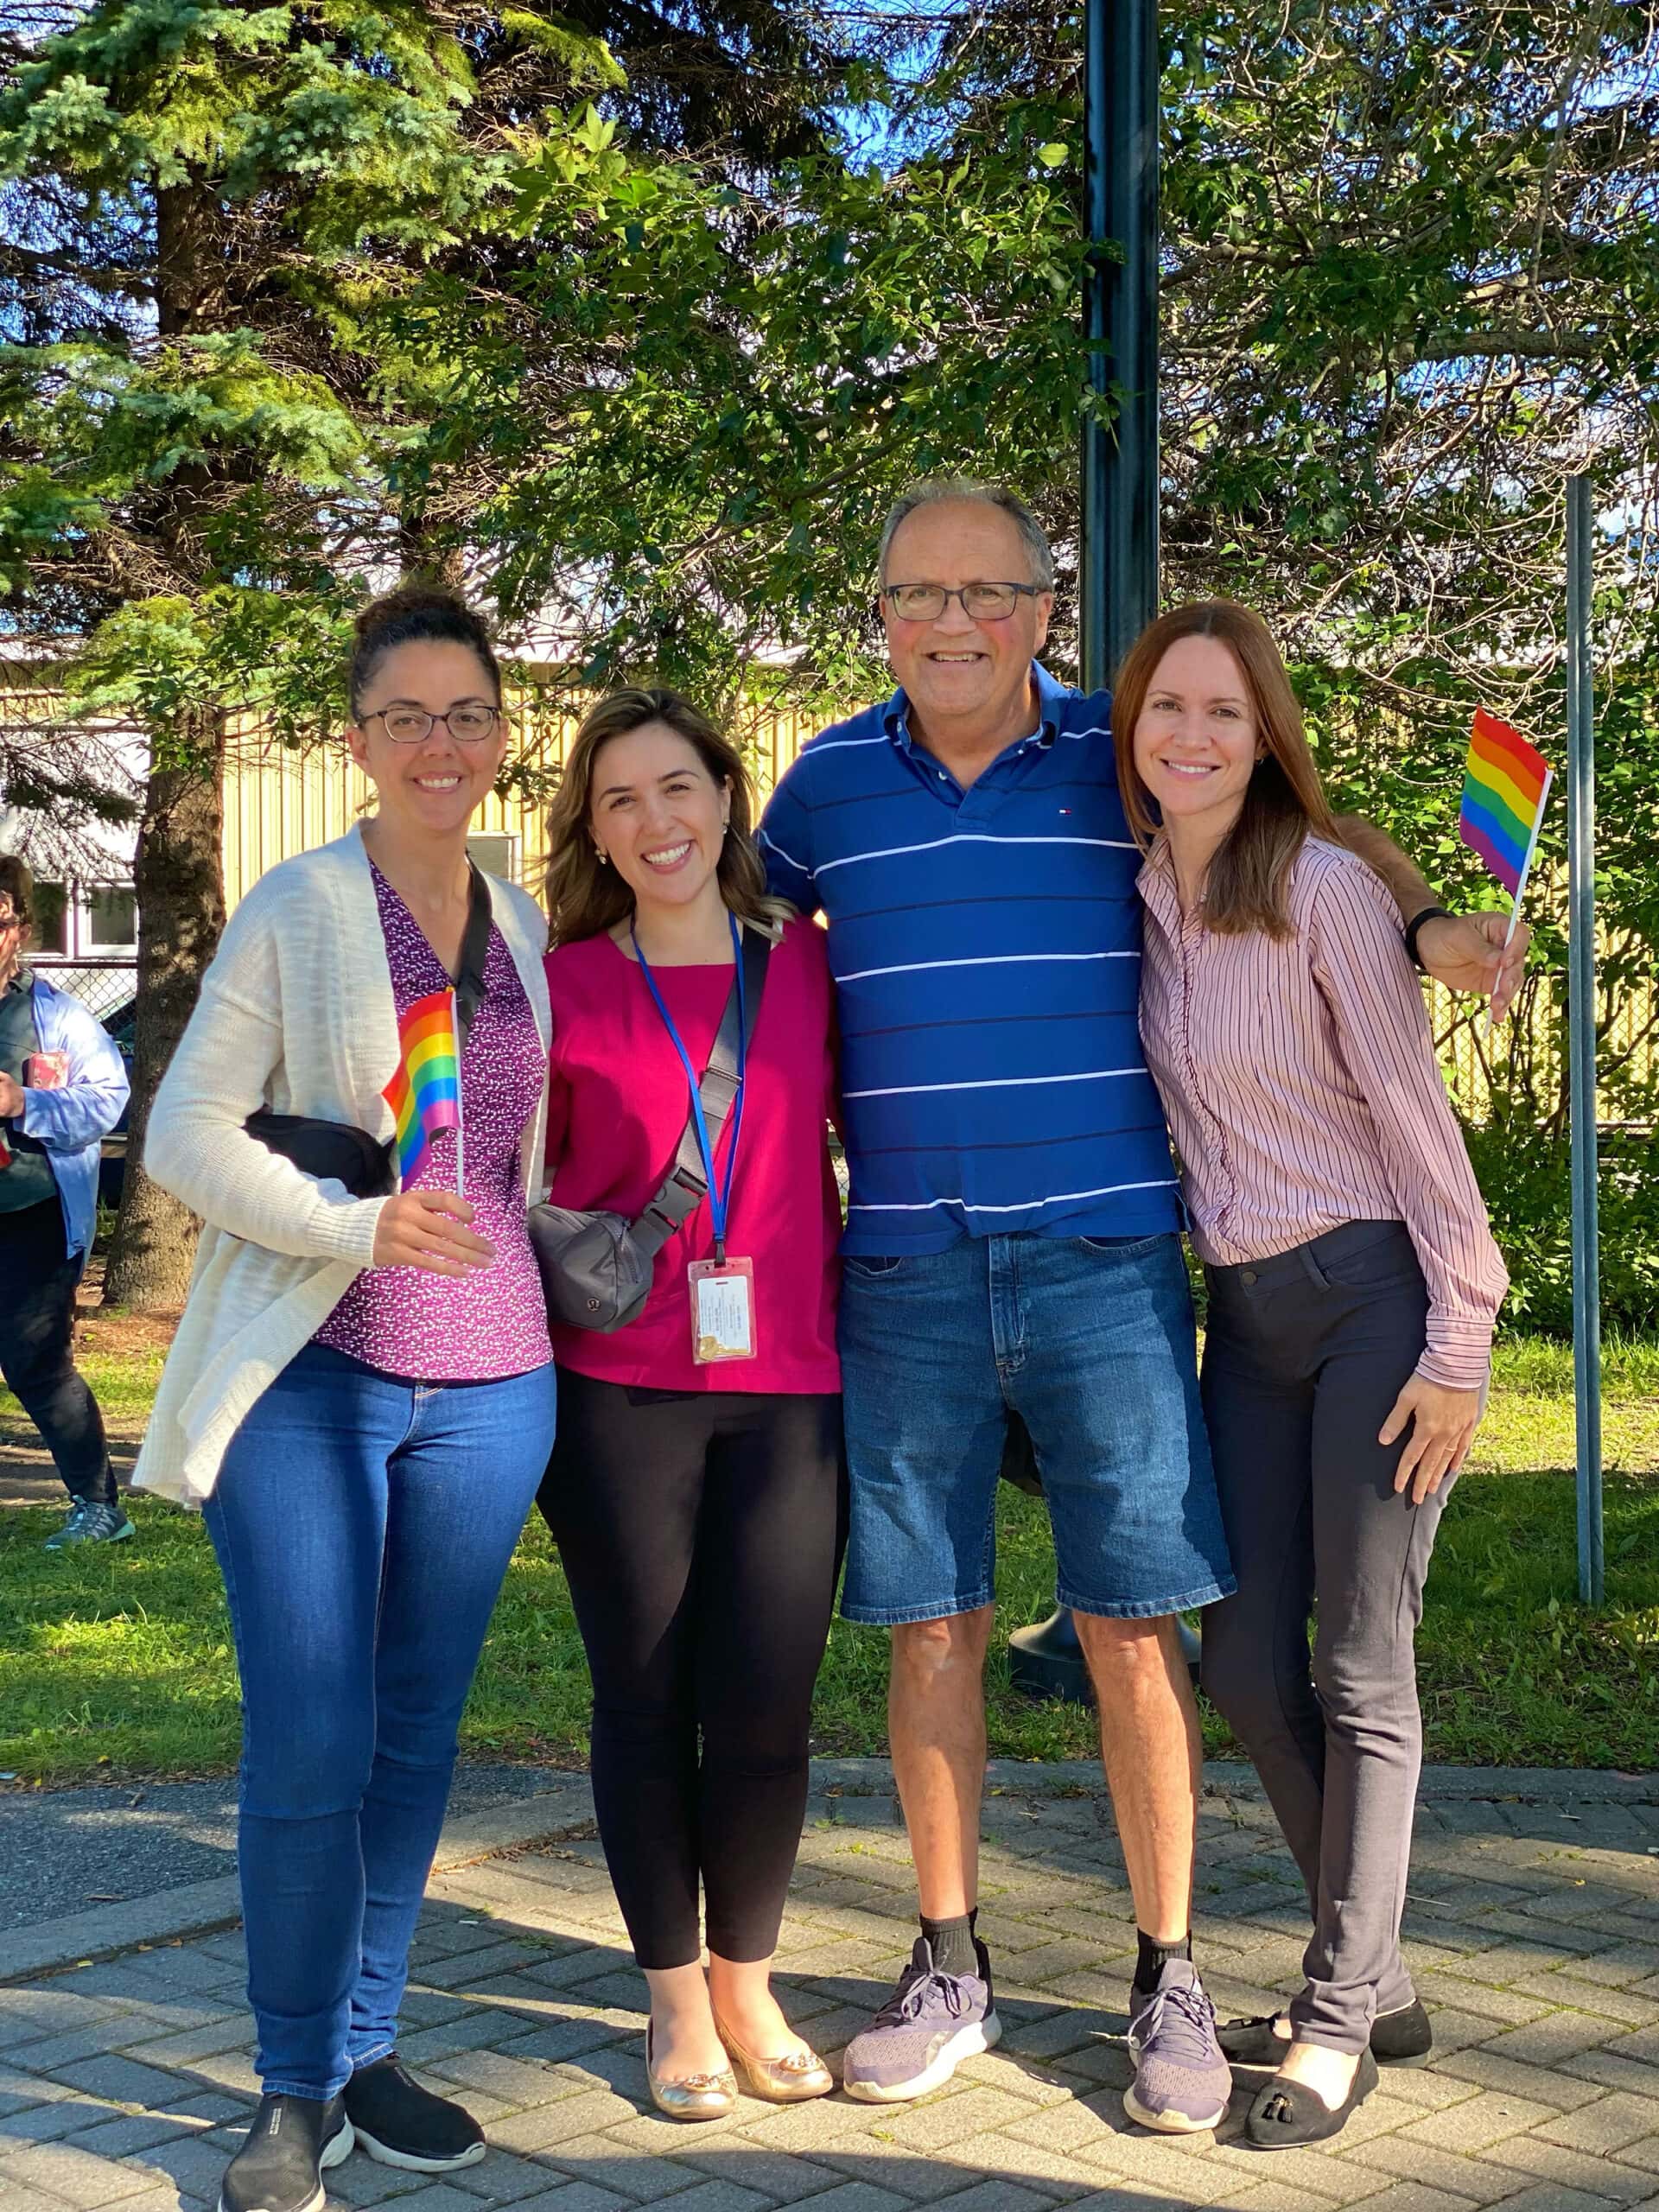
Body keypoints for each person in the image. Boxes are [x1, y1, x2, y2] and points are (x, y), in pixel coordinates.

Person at [757, 477, 1528, 2129]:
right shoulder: (820, 787)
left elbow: (1306, 837)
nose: (952, 622)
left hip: (1111, 1261)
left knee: (1140, 1632)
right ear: (879, 613)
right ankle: (949, 1964)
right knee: (934, 1627)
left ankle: (1171, 1981)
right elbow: (711, 920)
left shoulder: (1113, 761)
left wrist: (1430, 919)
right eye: (917, 594)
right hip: (900, 1264)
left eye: (989, 593)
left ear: (1046, 612)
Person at [131, 587, 557, 2212]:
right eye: (406, 718)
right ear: (359, 740)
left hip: (493, 1383)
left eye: (467, 715)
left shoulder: (514, 923)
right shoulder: (302, 905)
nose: (439, 744)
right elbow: (184, 1132)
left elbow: (511, 1165)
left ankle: (372, 2044)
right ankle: (292, 2084)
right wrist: (353, 1222)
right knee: (311, 1736)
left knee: (415, 1734)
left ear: (499, 736)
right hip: (315, 1374)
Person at [1119, 600, 1508, 2146]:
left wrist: (1463, 1346)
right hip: (1246, 1322)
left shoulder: (1329, 890)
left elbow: (1422, 1127)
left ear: (1266, 729)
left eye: (1223, 710)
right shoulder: (1146, 892)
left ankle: (1339, 2017)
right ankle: (1381, 1972)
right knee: (1247, 1673)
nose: (1192, 736)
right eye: (1166, 711)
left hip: (1373, 1304)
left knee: (1361, 1672)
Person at [537, 689, 843, 2120]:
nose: (655, 822)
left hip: (791, 1388)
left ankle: (748, 1981)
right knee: (645, 1701)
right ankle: (671, 2003)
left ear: (728, 796)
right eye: (620, 800)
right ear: (592, 830)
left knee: (768, 1706)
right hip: (620, 1396)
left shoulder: (811, 971)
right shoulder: (556, 980)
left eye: (678, 787)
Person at [0, 856, 131, 1550]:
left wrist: (25, 1100)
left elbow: (109, 1099)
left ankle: (99, 1506)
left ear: (19, 929)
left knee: (34, 1363)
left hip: (33, 1216)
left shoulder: (55, 1016)